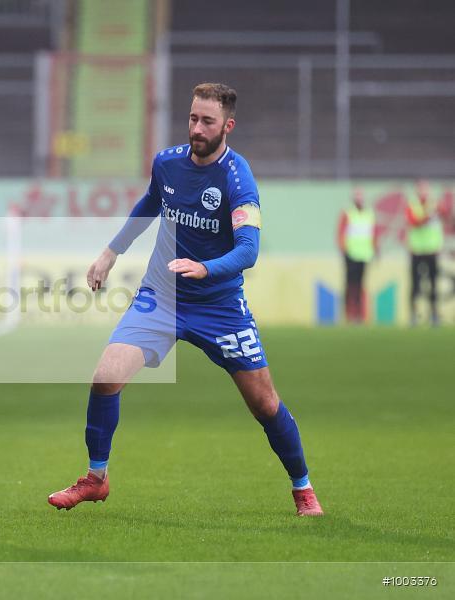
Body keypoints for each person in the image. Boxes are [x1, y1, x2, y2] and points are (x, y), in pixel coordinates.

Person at [47, 83, 324, 517]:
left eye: (207, 121)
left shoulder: (238, 179)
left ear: (227, 126)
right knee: (105, 377)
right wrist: (111, 251)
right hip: (160, 296)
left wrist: (206, 269)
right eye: (193, 118)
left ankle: (303, 489)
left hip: (219, 307)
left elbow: (248, 250)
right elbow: (149, 205)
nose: (196, 128)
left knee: (265, 404)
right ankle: (95, 480)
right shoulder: (168, 163)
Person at [337, 188, 378, 323]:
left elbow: (373, 234)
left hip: (364, 255)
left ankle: (360, 315)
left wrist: (375, 249)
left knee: (360, 286)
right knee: (350, 285)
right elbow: (341, 233)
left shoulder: (369, 214)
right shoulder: (348, 213)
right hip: (351, 254)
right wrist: (344, 249)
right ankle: (349, 315)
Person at [406, 181, 444, 326]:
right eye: (421, 189)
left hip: (432, 250)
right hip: (416, 250)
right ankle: (413, 315)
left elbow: (445, 214)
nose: (423, 192)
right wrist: (429, 215)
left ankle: (434, 315)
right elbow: (414, 222)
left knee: (433, 284)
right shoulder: (412, 205)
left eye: (426, 189)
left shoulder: (435, 205)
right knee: (415, 285)